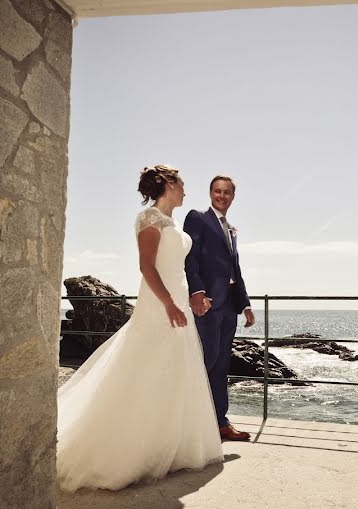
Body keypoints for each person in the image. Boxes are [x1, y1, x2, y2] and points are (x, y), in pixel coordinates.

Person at [56, 165, 223, 492]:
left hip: (178, 304)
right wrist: (169, 304)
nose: (187, 191)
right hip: (159, 307)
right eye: (183, 184)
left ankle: (171, 449)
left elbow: (175, 268)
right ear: (168, 184)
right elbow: (147, 267)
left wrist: (190, 299)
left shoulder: (172, 222)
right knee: (147, 371)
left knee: (175, 373)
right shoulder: (148, 219)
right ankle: (133, 452)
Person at [183, 175, 255, 441]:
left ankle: (220, 422)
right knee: (206, 361)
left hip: (229, 306)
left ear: (232, 197)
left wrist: (245, 304)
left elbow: (236, 270)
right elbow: (189, 258)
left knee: (222, 364)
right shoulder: (197, 217)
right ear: (210, 193)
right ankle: (191, 421)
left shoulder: (231, 229)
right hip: (208, 304)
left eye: (226, 192)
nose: (221, 196)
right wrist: (197, 293)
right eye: (217, 191)